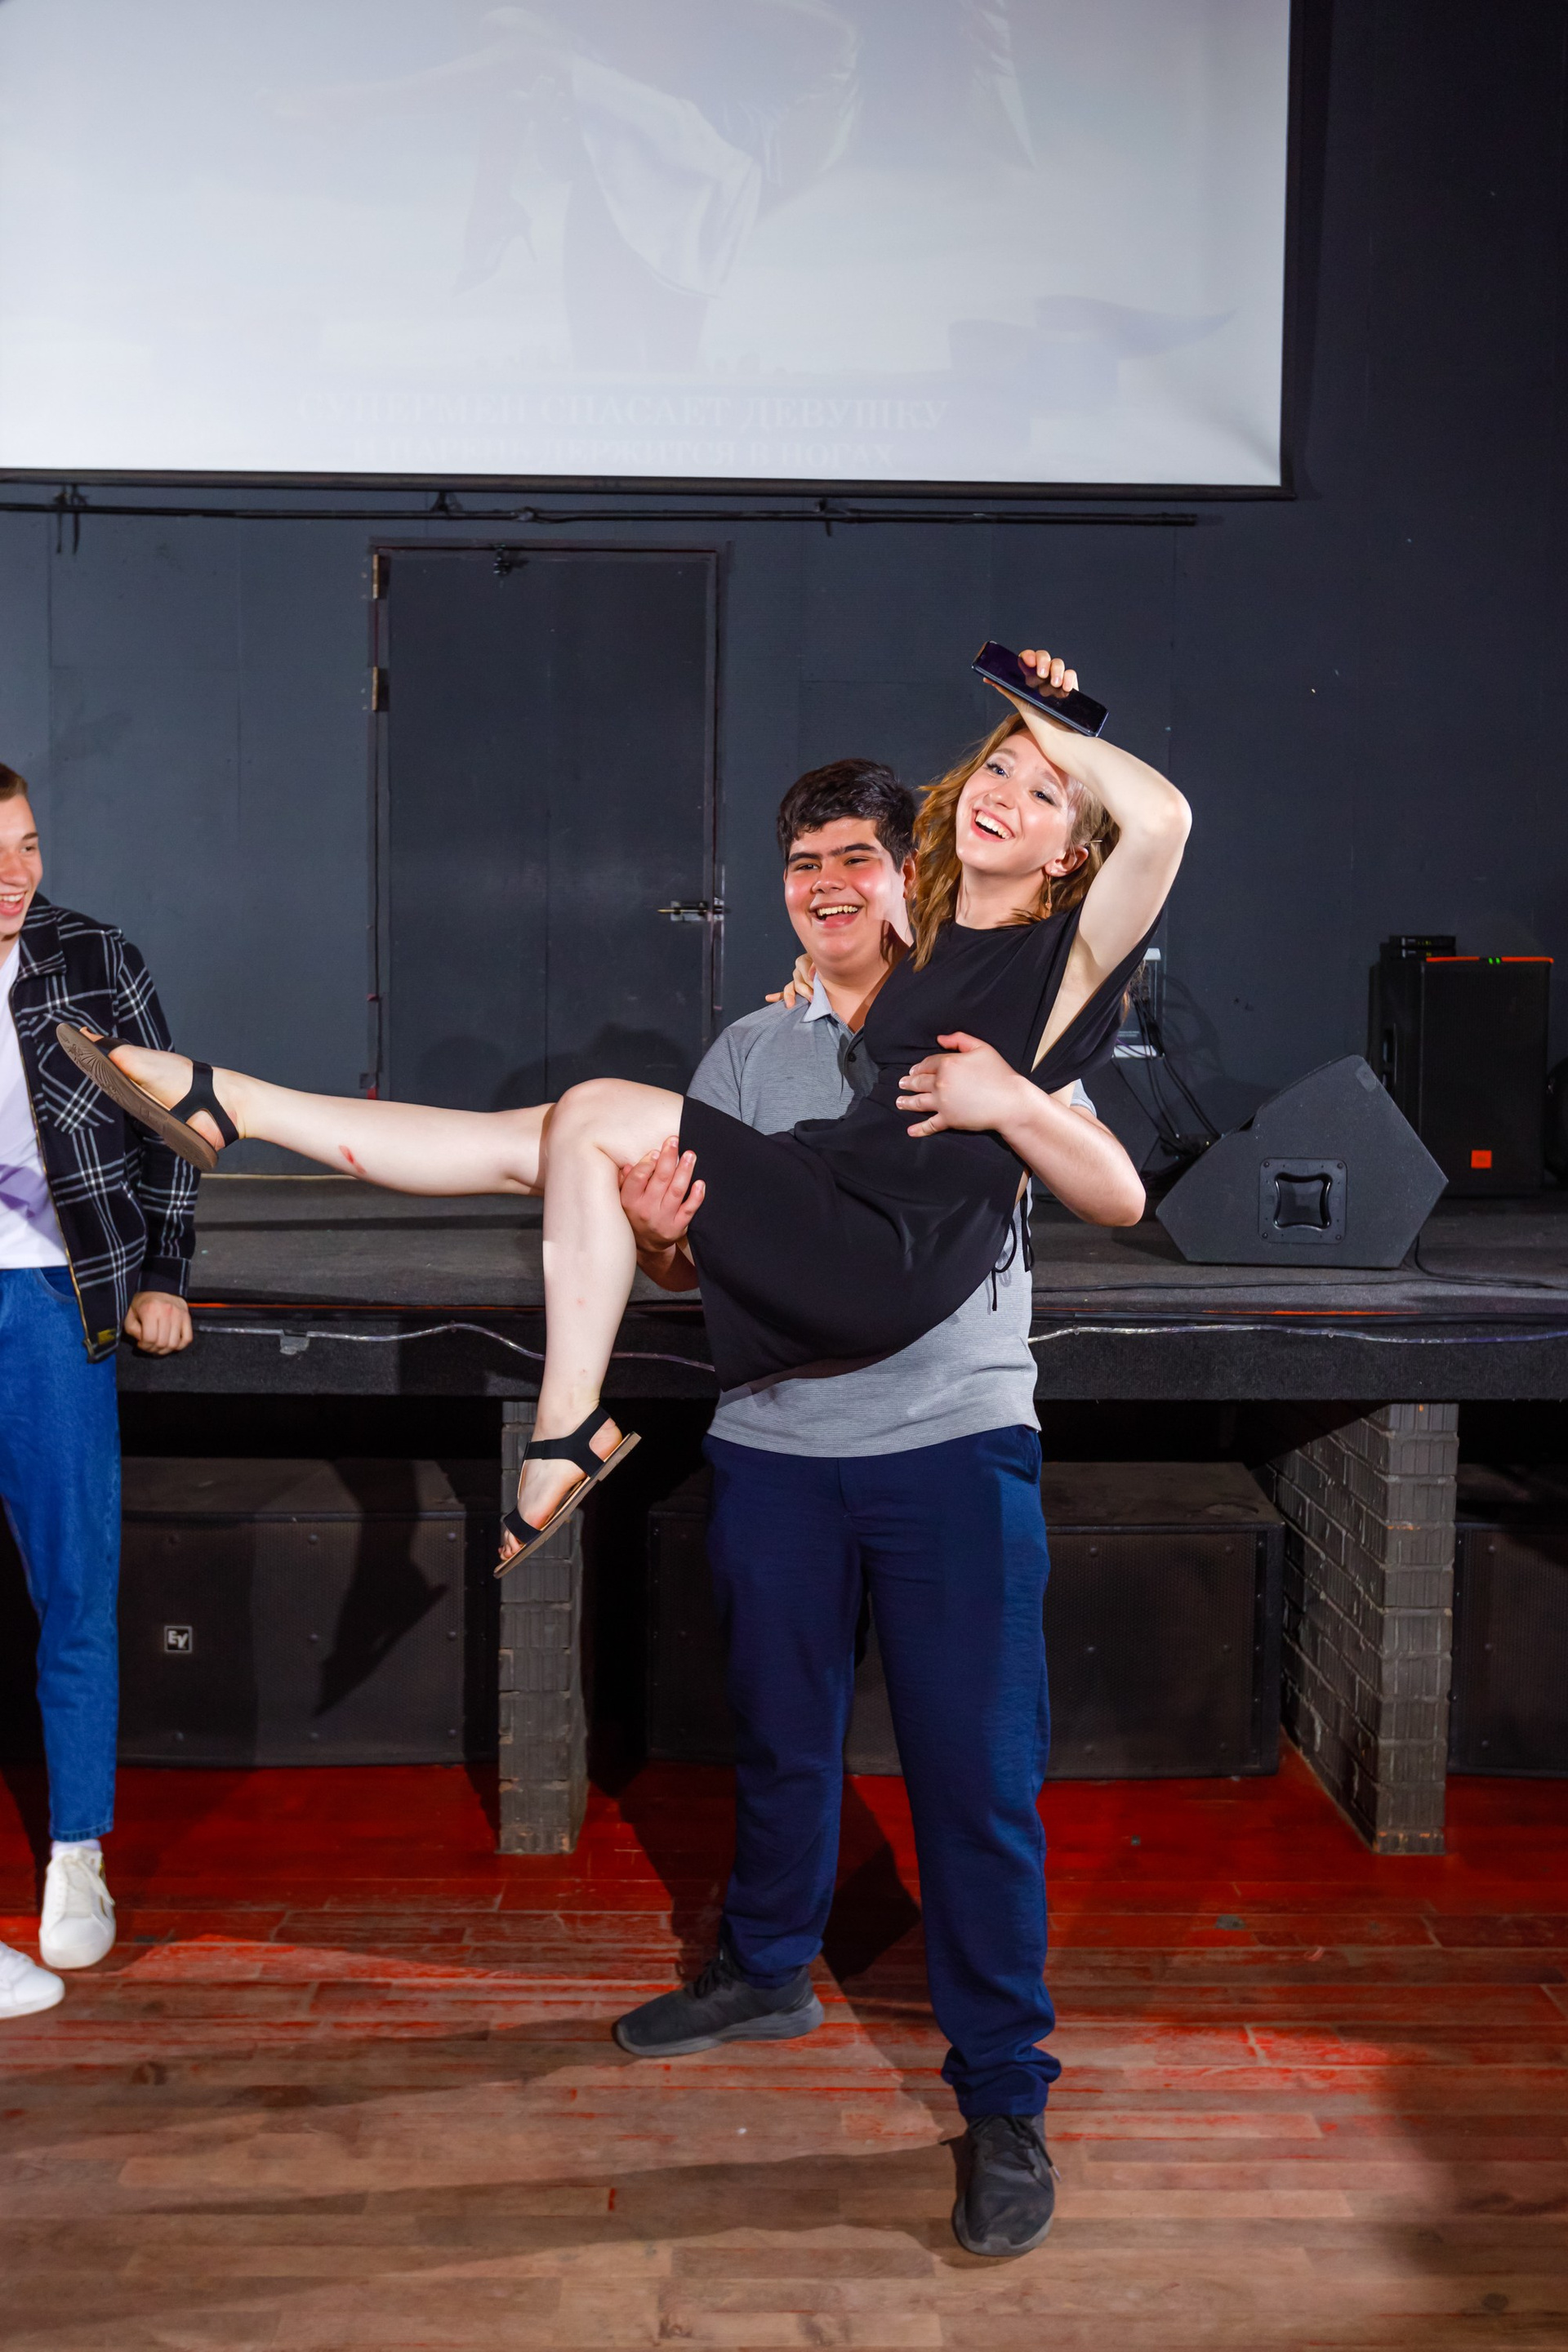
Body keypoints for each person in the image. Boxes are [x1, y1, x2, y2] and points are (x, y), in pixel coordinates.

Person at [608, 750, 1116, 2257]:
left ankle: (1004, 2093)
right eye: (802, 864)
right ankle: (767, 1969)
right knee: (781, 1738)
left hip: (952, 1445)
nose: (827, 886)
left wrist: (1004, 1096)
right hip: (775, 1447)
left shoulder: (993, 1012)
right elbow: (692, 1269)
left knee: (977, 1780)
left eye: (856, 859)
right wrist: (654, 1239)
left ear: (913, 876)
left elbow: (1106, 1175)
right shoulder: (744, 1055)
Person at [0, 764, 198, 2019]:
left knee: (75, 1580)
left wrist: (163, 1273)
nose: (14, 874)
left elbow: (169, 1130)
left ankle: (77, 1850)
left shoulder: (90, 956)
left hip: (49, 1298)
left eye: (26, 844)